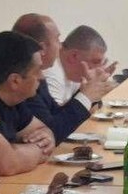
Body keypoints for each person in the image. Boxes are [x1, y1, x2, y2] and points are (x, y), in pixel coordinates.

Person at [12, 14, 116, 142]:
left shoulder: (37, 75)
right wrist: (86, 96)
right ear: (42, 48)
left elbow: (55, 116)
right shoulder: (30, 78)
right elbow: (51, 132)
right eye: (57, 39)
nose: (61, 46)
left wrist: (89, 92)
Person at [0, 31, 55, 176]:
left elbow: (41, 129)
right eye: (37, 71)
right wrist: (39, 149)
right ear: (15, 81)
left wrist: (47, 137)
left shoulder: (11, 97)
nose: (42, 77)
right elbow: (6, 164)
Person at [44, 24, 119, 107]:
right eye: (95, 62)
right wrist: (87, 95)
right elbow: (56, 116)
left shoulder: (74, 70)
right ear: (74, 56)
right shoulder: (50, 75)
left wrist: (96, 87)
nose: (99, 69)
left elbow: (89, 110)